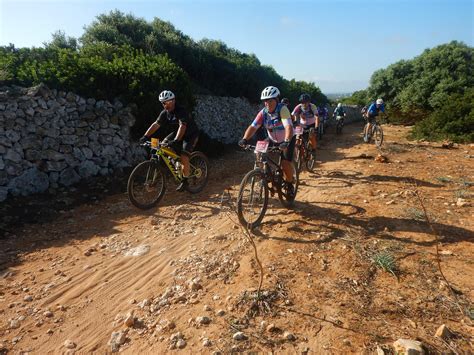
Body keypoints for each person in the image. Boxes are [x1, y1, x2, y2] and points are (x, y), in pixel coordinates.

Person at [239, 86, 296, 196]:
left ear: (276, 100)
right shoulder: (263, 113)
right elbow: (253, 127)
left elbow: (288, 127)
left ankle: (289, 185)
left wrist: (287, 141)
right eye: (265, 101)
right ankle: (263, 174)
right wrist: (245, 139)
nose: (268, 103)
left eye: (270, 100)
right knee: (258, 152)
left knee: (285, 163)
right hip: (272, 139)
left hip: (287, 139)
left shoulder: (283, 109)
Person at [140, 90, 200, 192]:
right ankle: (176, 162)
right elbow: (156, 124)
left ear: (174, 100)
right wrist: (145, 136)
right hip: (177, 133)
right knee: (162, 146)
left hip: (190, 134)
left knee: (184, 155)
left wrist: (176, 140)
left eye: (169, 101)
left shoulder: (181, 111)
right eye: (164, 103)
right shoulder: (165, 113)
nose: (167, 104)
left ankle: (185, 181)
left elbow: (182, 126)